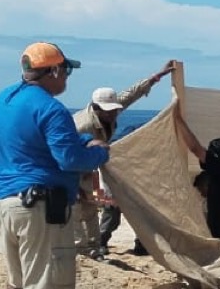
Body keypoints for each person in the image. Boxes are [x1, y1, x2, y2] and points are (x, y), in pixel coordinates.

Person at [0, 42, 112, 289]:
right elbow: (69, 160)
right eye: (66, 70)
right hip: (39, 207)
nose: (68, 78)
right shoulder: (50, 108)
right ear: (54, 70)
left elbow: (39, 141)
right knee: (38, 287)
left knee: (16, 281)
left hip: (5, 201)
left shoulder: (4, 99)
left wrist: (82, 139)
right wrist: (99, 153)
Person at [72, 63, 175, 258]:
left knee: (90, 210)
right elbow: (64, 154)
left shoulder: (108, 110)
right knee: (76, 210)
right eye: (108, 111)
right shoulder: (82, 126)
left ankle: (95, 249)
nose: (113, 114)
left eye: (114, 110)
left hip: (89, 165)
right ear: (95, 108)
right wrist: (73, 185)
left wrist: (154, 78)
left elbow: (130, 95)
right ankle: (81, 253)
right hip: (72, 168)